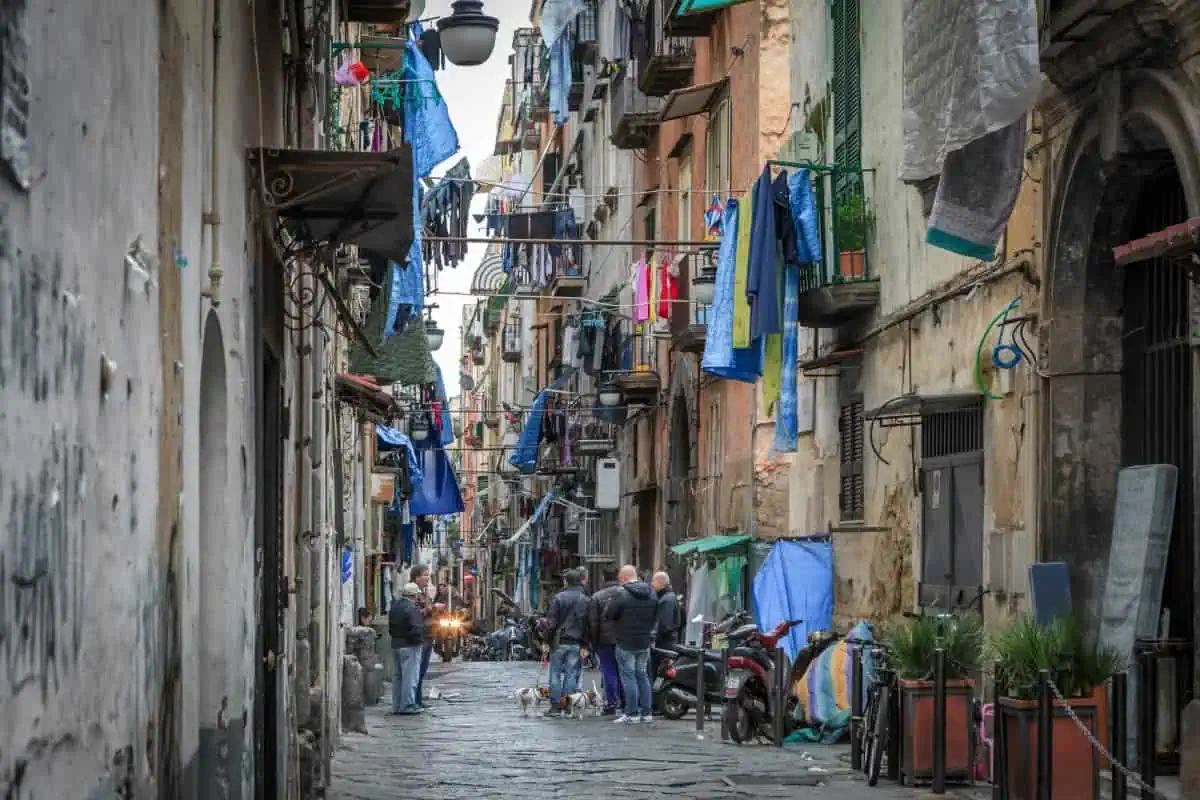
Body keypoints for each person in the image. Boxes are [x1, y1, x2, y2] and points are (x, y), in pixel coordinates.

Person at [605, 564, 659, 724]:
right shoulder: (652, 593)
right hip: (644, 641)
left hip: (625, 641)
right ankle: (647, 713)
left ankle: (632, 713)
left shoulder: (622, 594)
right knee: (642, 676)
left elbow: (609, 613)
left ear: (623, 578)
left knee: (629, 677)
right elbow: (656, 615)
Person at [541, 568, 591, 718]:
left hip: (559, 641)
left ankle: (556, 705)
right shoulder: (585, 599)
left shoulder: (559, 598)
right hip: (576, 642)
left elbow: (551, 623)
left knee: (555, 673)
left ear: (566, 581)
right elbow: (588, 625)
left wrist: (546, 641)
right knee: (571, 673)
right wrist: (585, 644)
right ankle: (568, 704)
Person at [589, 566, 624, 715]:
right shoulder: (625, 593)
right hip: (623, 639)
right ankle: (626, 703)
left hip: (604, 641)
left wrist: (594, 642)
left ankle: (611, 703)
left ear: (603, 578)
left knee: (609, 671)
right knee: (624, 671)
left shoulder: (597, 597)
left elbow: (594, 623)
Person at [387, 583, 425, 715]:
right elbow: (416, 628)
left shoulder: (395, 607)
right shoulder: (412, 608)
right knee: (410, 676)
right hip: (409, 645)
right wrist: (418, 641)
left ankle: (397, 706)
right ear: (415, 595)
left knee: (397, 677)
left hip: (396, 644)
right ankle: (407, 705)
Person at [410, 564, 443, 708]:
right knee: (417, 670)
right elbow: (414, 613)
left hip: (429, 634)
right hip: (422, 635)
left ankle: (418, 699)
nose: (427, 578)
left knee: (422, 670)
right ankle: (414, 700)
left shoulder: (425, 593)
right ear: (416, 577)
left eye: (428, 575)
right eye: (424, 575)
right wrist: (432, 608)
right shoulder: (413, 593)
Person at [650, 571, 681, 681]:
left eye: (653, 581)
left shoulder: (666, 599)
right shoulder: (668, 597)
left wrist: (653, 637)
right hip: (666, 643)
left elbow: (664, 625)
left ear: (661, 582)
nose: (652, 584)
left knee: (661, 674)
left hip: (664, 645)